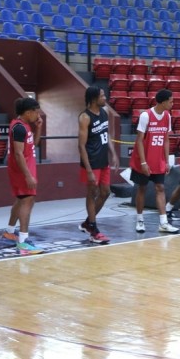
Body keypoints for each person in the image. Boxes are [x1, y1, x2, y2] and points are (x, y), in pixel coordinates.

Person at [130, 89, 178, 234]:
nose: (172, 104)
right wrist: (143, 163)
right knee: (142, 188)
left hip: (158, 160)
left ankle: (163, 223)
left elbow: (166, 140)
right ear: (163, 102)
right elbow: (139, 140)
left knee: (160, 188)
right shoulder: (146, 116)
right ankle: (139, 220)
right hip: (143, 159)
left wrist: (167, 160)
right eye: (171, 101)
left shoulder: (167, 116)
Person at [77, 86, 119, 244]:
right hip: (91, 162)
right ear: (94, 99)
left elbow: (106, 133)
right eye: (102, 96)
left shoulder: (105, 111)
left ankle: (88, 223)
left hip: (103, 160)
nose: (105, 98)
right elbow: (81, 146)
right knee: (92, 193)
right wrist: (88, 170)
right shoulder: (84, 117)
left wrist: (113, 153)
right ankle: (93, 229)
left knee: (105, 192)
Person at [2, 97, 44, 254]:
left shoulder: (24, 126)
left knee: (21, 200)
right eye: (36, 112)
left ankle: (9, 232)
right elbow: (18, 154)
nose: (38, 115)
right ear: (28, 112)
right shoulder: (19, 128)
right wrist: (27, 175)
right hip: (21, 170)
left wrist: (38, 128)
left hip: (25, 168)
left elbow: (34, 145)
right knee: (27, 200)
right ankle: (23, 241)